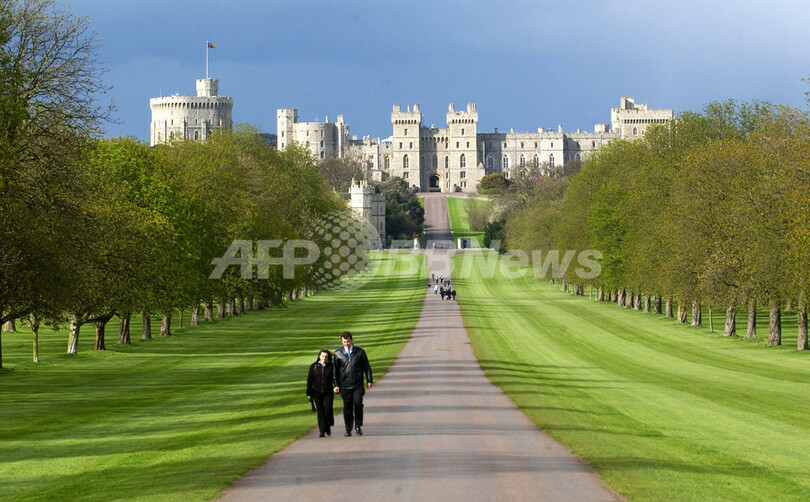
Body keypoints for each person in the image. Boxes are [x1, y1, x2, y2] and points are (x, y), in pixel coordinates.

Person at [333, 331, 373, 436]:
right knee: (347, 408)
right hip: (345, 386)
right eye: (344, 342)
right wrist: (336, 385)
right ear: (342, 342)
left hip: (357, 385)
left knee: (358, 404)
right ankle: (348, 428)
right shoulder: (338, 354)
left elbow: (367, 367)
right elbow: (335, 372)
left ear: (352, 340)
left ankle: (358, 426)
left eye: (348, 341)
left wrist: (369, 380)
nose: (347, 343)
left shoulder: (359, 352)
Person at [307, 349, 335, 437]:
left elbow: (335, 378)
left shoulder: (331, 366)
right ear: (319, 356)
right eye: (322, 356)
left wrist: (337, 386)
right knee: (320, 411)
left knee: (328, 409)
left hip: (329, 391)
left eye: (326, 357)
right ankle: (322, 430)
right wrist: (309, 392)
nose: (324, 358)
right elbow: (310, 380)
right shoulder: (314, 366)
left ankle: (328, 425)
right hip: (317, 392)